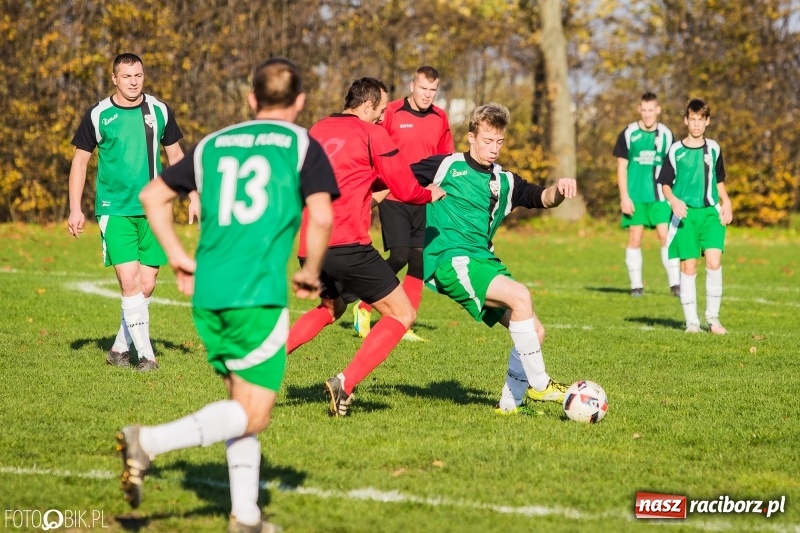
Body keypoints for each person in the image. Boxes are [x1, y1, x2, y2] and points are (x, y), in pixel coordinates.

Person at [116, 58, 338, 533]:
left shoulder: (213, 144)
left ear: (251, 99)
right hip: (256, 293)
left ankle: (245, 517)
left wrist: (177, 255)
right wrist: (311, 272)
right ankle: (147, 441)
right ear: (299, 102)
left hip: (209, 292)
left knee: (241, 402)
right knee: (253, 413)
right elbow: (321, 217)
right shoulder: (301, 144)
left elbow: (154, 196)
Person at [286, 77, 445, 417]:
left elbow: (341, 185)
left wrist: (371, 195)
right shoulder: (372, 133)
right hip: (347, 244)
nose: (384, 115)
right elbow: (405, 188)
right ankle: (346, 381)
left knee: (333, 307)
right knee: (402, 313)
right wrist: (429, 194)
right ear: (369, 105)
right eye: (382, 109)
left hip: (310, 245)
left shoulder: (318, 129)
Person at [411, 102, 576, 414]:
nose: (493, 148)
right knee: (520, 296)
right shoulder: (446, 166)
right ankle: (540, 385)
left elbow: (542, 197)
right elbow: (398, 179)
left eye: (499, 142)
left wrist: (560, 189)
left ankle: (509, 406)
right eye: (487, 141)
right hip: (451, 260)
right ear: (471, 137)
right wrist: (419, 193)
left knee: (534, 331)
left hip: (483, 261)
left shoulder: (505, 181)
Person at [68, 52, 198, 371]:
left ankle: (118, 349)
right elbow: (80, 162)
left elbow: (177, 155)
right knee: (130, 281)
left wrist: (192, 193)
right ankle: (147, 357)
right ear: (114, 78)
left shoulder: (159, 110)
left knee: (147, 284)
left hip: (154, 210)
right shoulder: (98, 115)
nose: (133, 82)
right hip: (115, 210)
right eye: (126, 76)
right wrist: (75, 208)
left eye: (138, 75)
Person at [352, 65, 454, 342]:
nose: (428, 95)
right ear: (412, 86)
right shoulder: (392, 111)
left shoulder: (440, 117)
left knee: (419, 261)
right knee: (399, 256)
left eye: (433, 90)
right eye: (423, 88)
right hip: (393, 194)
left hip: (424, 198)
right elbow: (370, 143)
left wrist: (441, 188)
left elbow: (445, 158)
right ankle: (364, 305)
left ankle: (403, 323)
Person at [657, 98, 732, 334]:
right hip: (686, 215)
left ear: (707, 121)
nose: (697, 124)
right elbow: (665, 184)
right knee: (689, 267)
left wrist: (727, 201)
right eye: (693, 119)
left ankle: (713, 319)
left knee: (714, 261)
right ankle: (692, 323)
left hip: (710, 213)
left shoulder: (714, 148)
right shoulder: (675, 150)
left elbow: (719, 182)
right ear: (686, 120)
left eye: (701, 120)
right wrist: (673, 200)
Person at [613, 92, 679, 297]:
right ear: (639, 109)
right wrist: (624, 196)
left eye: (652, 110)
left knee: (665, 237)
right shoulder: (629, 133)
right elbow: (621, 167)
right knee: (635, 238)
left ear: (658, 110)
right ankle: (636, 286)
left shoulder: (667, 135)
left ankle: (675, 285)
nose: (648, 114)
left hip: (660, 196)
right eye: (644, 110)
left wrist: (674, 197)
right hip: (636, 197)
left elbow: (674, 167)